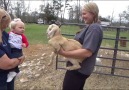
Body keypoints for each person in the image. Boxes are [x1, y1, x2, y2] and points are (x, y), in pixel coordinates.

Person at [58, 2, 103, 90]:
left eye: (84, 13)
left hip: (79, 70)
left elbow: (87, 52)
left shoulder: (94, 28)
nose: (82, 16)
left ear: (93, 13)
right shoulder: (90, 26)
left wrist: (63, 53)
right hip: (80, 69)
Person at [0, 8, 25, 90]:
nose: (7, 26)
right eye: (6, 23)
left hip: (8, 77)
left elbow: (14, 47)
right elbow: (7, 64)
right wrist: (20, 59)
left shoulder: (4, 34)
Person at [7, 18, 29, 82]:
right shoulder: (10, 34)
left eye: (23, 28)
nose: (22, 29)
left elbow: (27, 43)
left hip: (17, 51)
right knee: (9, 59)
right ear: (13, 28)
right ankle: (17, 71)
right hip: (10, 50)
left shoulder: (22, 36)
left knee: (12, 60)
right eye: (20, 27)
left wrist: (25, 45)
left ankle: (13, 72)